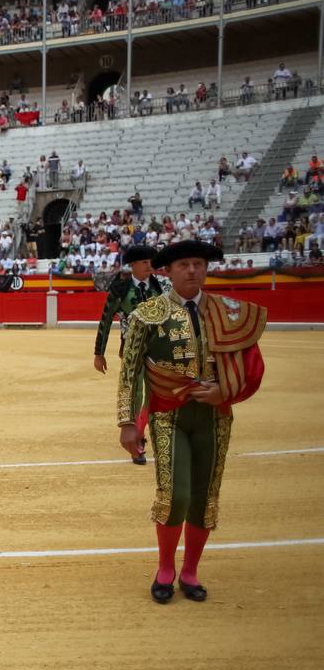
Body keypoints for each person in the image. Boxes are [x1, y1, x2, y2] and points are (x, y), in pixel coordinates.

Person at [116, 241, 265, 604]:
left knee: (204, 497)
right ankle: (166, 567)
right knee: (176, 494)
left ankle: (191, 571)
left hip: (215, 416)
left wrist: (224, 391)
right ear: (167, 270)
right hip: (169, 414)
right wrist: (126, 421)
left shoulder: (228, 312)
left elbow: (252, 366)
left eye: (199, 264)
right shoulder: (147, 313)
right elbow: (130, 370)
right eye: (184, 264)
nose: (193, 270)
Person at [93, 245, 168, 464]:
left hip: (158, 347)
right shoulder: (120, 289)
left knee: (156, 393)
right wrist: (99, 352)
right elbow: (106, 319)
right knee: (134, 392)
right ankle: (136, 442)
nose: (149, 266)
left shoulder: (161, 288)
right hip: (132, 348)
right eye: (144, 262)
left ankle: (141, 433)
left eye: (151, 262)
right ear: (133, 265)